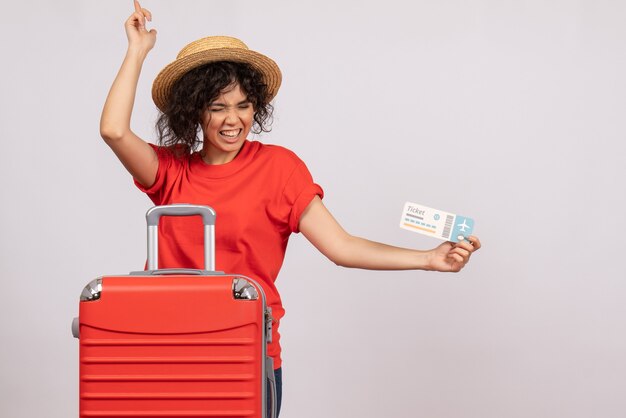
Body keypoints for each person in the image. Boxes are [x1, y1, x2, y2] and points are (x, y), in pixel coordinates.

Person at [100, 1, 482, 416]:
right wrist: (137, 51)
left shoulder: (279, 168)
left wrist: (427, 258)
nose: (233, 119)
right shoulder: (172, 171)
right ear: (194, 111)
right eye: (217, 106)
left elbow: (341, 246)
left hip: (243, 350)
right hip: (166, 350)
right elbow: (113, 130)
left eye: (243, 105)